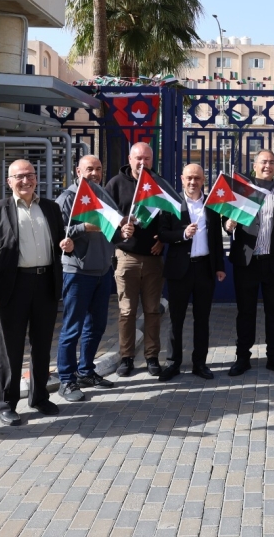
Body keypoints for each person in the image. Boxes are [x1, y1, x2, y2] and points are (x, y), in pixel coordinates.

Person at [0, 159, 71, 427]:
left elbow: (61, 242)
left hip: (45, 284)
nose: (25, 181)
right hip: (13, 286)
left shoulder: (51, 208)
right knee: (11, 347)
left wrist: (69, 244)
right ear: (9, 181)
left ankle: (40, 397)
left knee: (42, 345)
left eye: (29, 175)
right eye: (19, 176)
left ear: (36, 179)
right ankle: (6, 404)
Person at [55, 155, 133, 403]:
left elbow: (111, 231)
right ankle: (66, 380)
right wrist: (83, 228)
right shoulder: (67, 198)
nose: (94, 173)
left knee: (96, 326)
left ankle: (86, 372)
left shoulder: (103, 195)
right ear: (78, 171)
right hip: (77, 272)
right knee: (72, 328)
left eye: (98, 169)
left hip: (102, 270)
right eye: (89, 169)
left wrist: (123, 233)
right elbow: (57, 232)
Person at [224, 150, 274, 376]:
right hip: (247, 262)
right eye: (263, 162)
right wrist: (228, 225)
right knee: (245, 312)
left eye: (272, 162)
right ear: (254, 166)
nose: (268, 166)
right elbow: (225, 222)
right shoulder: (241, 192)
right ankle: (242, 358)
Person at [158, 163, 226, 381]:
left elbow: (216, 239)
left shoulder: (211, 205)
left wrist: (220, 267)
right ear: (182, 179)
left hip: (204, 268)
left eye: (197, 178)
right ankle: (173, 363)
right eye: (189, 178)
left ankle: (200, 363)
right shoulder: (172, 203)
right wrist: (183, 234)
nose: (193, 182)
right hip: (179, 270)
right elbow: (162, 233)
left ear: (203, 180)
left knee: (202, 319)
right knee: (176, 319)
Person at [105, 142, 165, 377]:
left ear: (152, 160)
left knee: (152, 310)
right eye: (138, 158)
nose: (142, 162)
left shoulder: (158, 184)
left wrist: (163, 240)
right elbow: (105, 219)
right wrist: (120, 233)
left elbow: (168, 218)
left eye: (147, 158)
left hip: (153, 258)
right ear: (130, 159)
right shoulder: (115, 184)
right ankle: (127, 357)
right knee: (127, 311)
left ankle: (152, 356)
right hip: (126, 257)